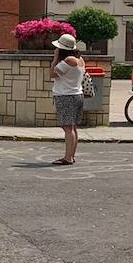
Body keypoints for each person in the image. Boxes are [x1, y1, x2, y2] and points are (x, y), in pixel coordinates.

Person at [50, 33, 86, 166]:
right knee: (73, 127)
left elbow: (52, 73)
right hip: (77, 94)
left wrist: (55, 59)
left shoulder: (68, 61)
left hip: (66, 96)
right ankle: (71, 155)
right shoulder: (80, 59)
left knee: (67, 128)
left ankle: (68, 157)